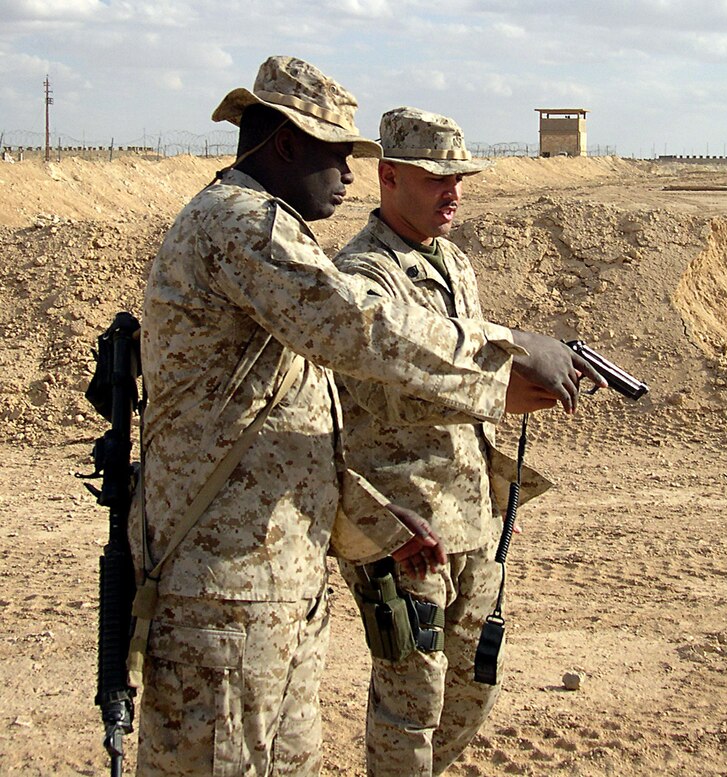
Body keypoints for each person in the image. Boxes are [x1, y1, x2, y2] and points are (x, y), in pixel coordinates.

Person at [136, 59, 601, 776]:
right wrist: (510, 351)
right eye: (338, 155)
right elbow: (359, 327)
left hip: (274, 581)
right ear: (286, 145)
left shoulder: (273, 233)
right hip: (224, 593)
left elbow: (296, 421)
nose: (351, 175)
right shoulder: (239, 225)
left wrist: (372, 527)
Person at [333, 107, 560, 776]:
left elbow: (471, 359)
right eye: (436, 178)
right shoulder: (363, 275)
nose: (452, 192)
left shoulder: (454, 263)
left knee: (473, 683)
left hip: (470, 514)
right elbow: (390, 379)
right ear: (389, 177)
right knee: (411, 699)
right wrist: (505, 380)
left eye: (459, 177)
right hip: (405, 524)